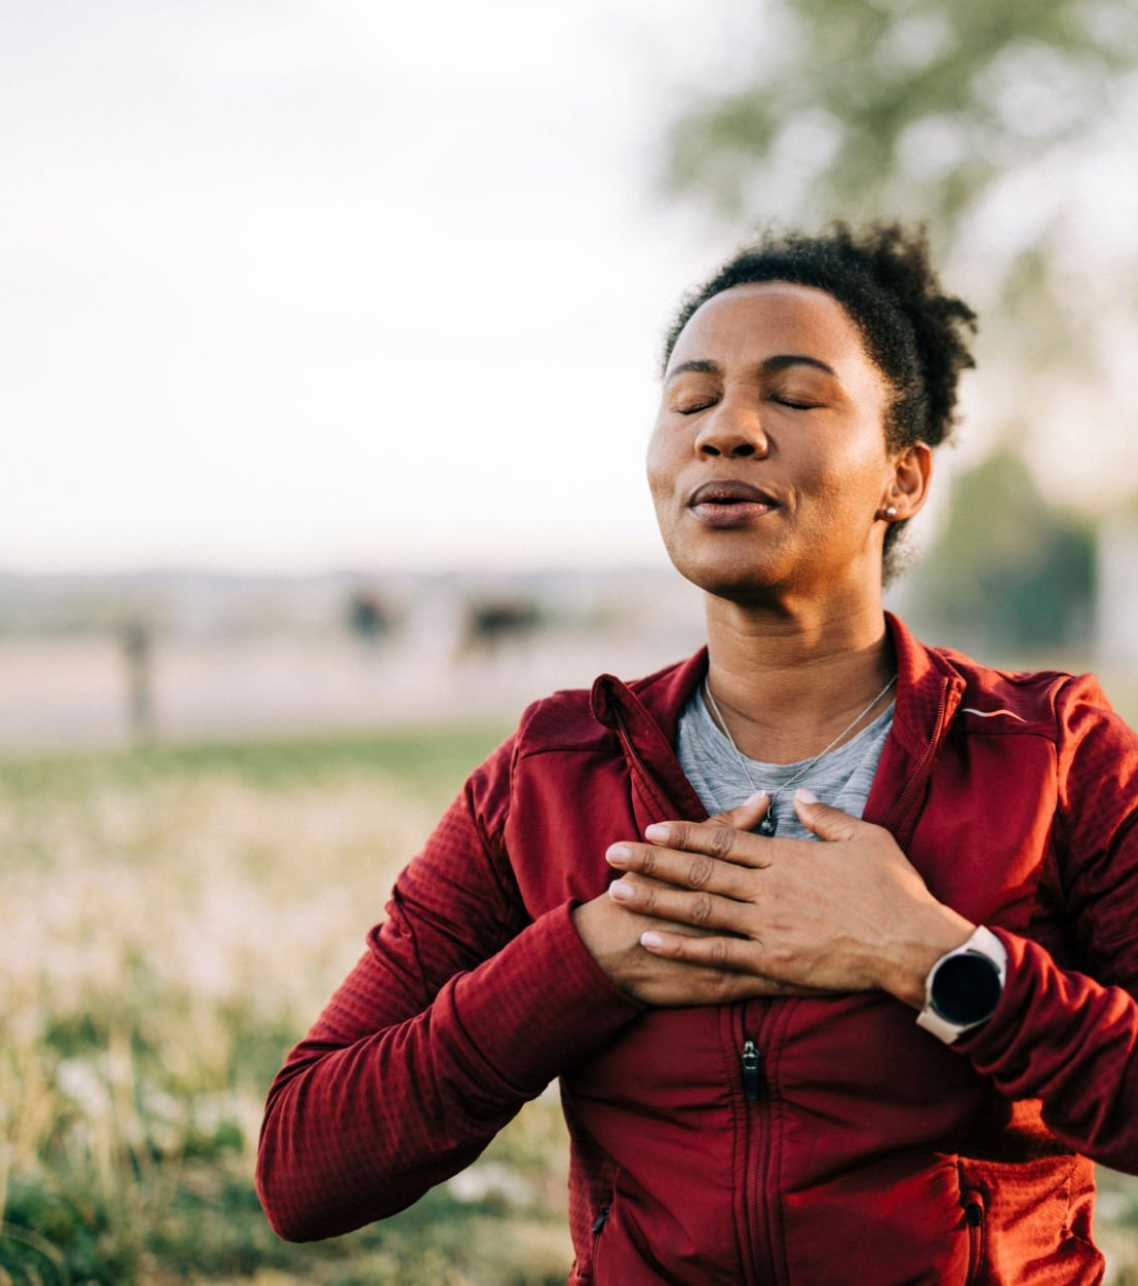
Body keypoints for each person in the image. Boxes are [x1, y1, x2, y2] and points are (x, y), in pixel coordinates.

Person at [256, 223, 1138, 1284]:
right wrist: (579, 961)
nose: (726, 430)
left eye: (795, 396)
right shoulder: (549, 775)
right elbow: (303, 1169)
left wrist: (928, 956)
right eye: (690, 400)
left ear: (903, 478)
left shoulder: (1050, 756)